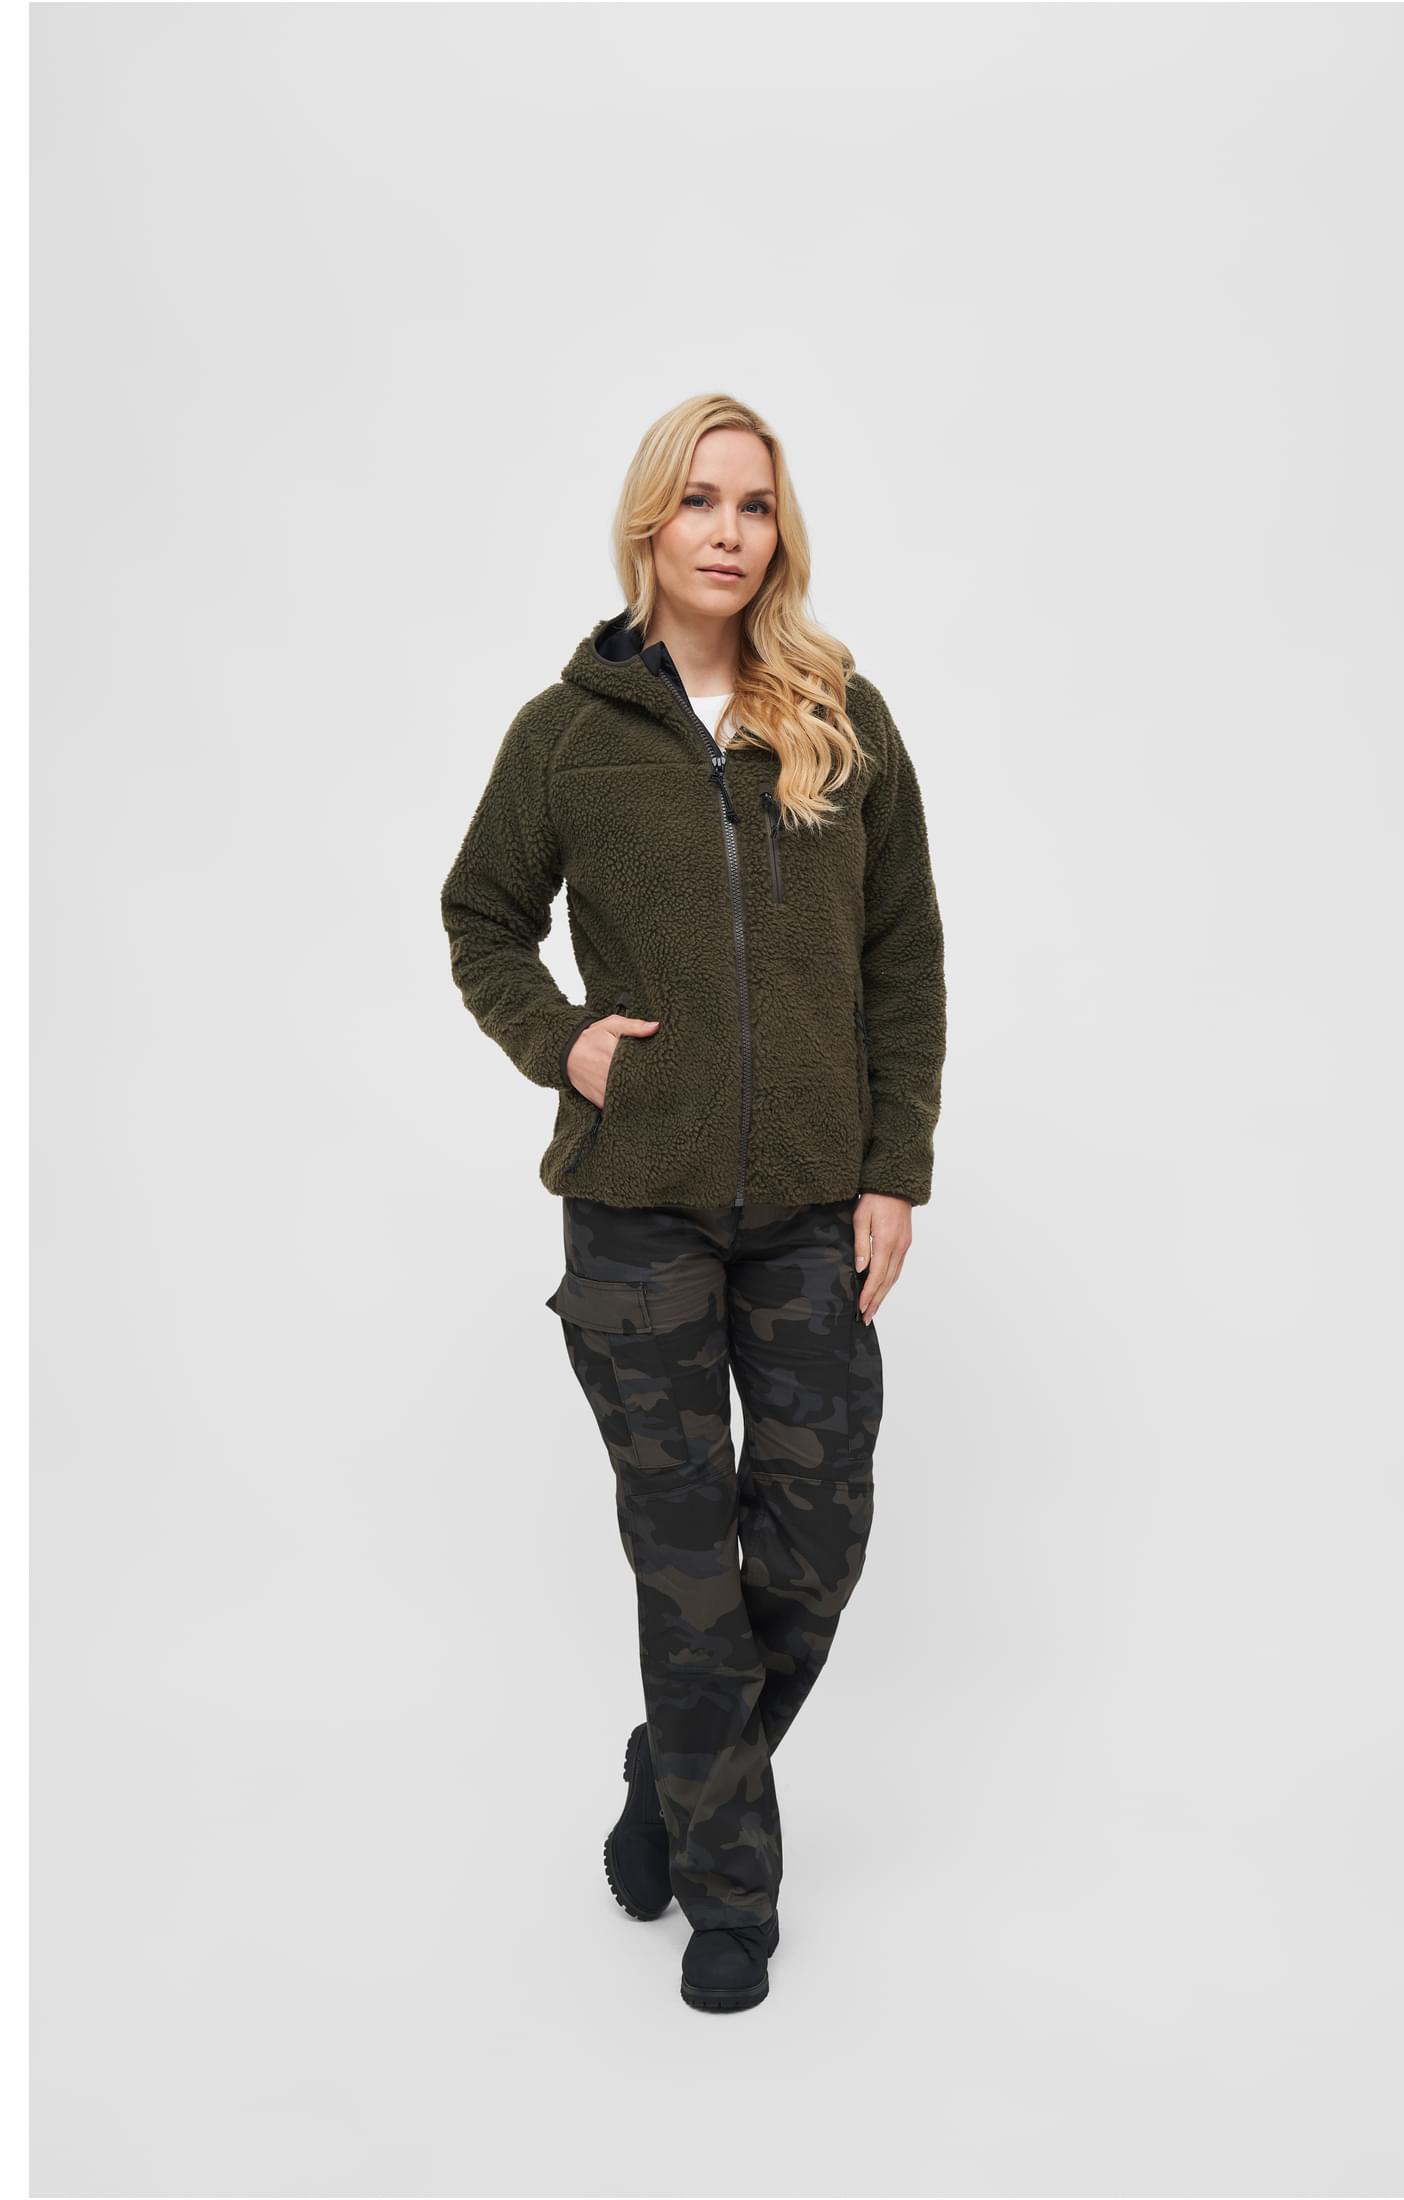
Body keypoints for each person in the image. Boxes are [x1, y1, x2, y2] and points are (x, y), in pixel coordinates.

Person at [440, 393, 947, 2013]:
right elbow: (481, 916)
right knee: (686, 1565)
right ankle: (735, 1899)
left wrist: (894, 1166)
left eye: (757, 505)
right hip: (636, 1212)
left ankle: (672, 1774)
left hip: (809, 1205)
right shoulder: (568, 733)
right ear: (650, 523)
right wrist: (563, 1042)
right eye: (702, 500)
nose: (730, 531)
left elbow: (904, 955)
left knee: (815, 1535)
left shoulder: (841, 717)